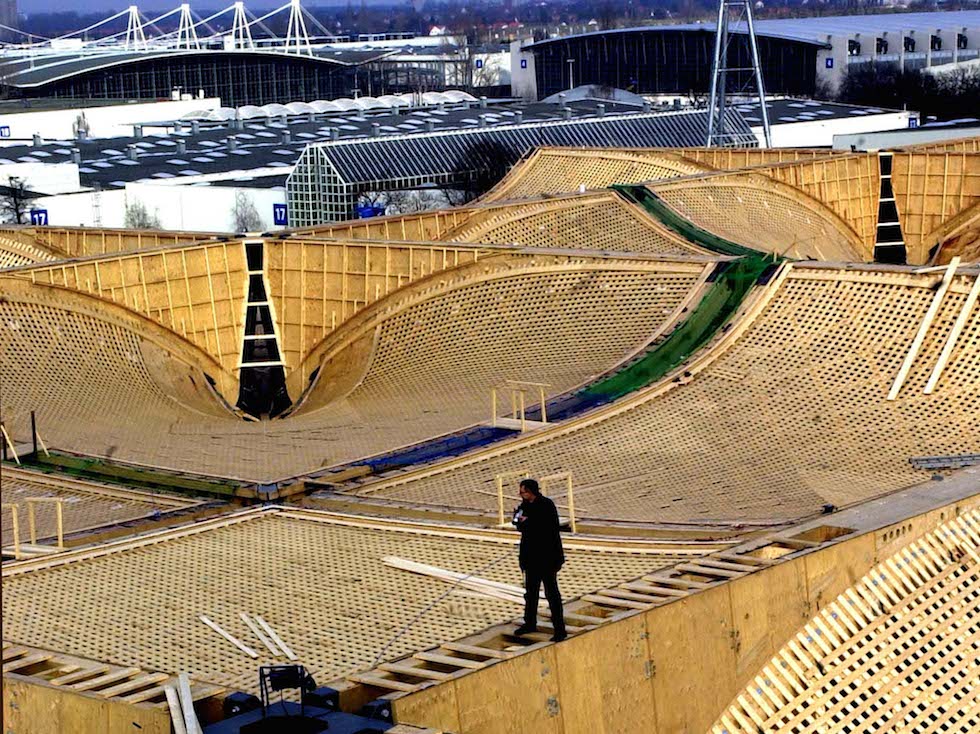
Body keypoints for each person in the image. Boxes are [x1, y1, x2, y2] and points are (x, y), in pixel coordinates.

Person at [512, 478, 567, 642]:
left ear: (531, 491)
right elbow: (520, 524)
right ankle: (529, 622)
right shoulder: (524, 506)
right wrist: (521, 522)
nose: (521, 495)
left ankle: (559, 629)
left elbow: (545, 528)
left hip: (547, 558)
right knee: (531, 593)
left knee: (552, 594)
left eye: (524, 492)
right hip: (531, 558)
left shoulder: (546, 505)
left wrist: (528, 523)